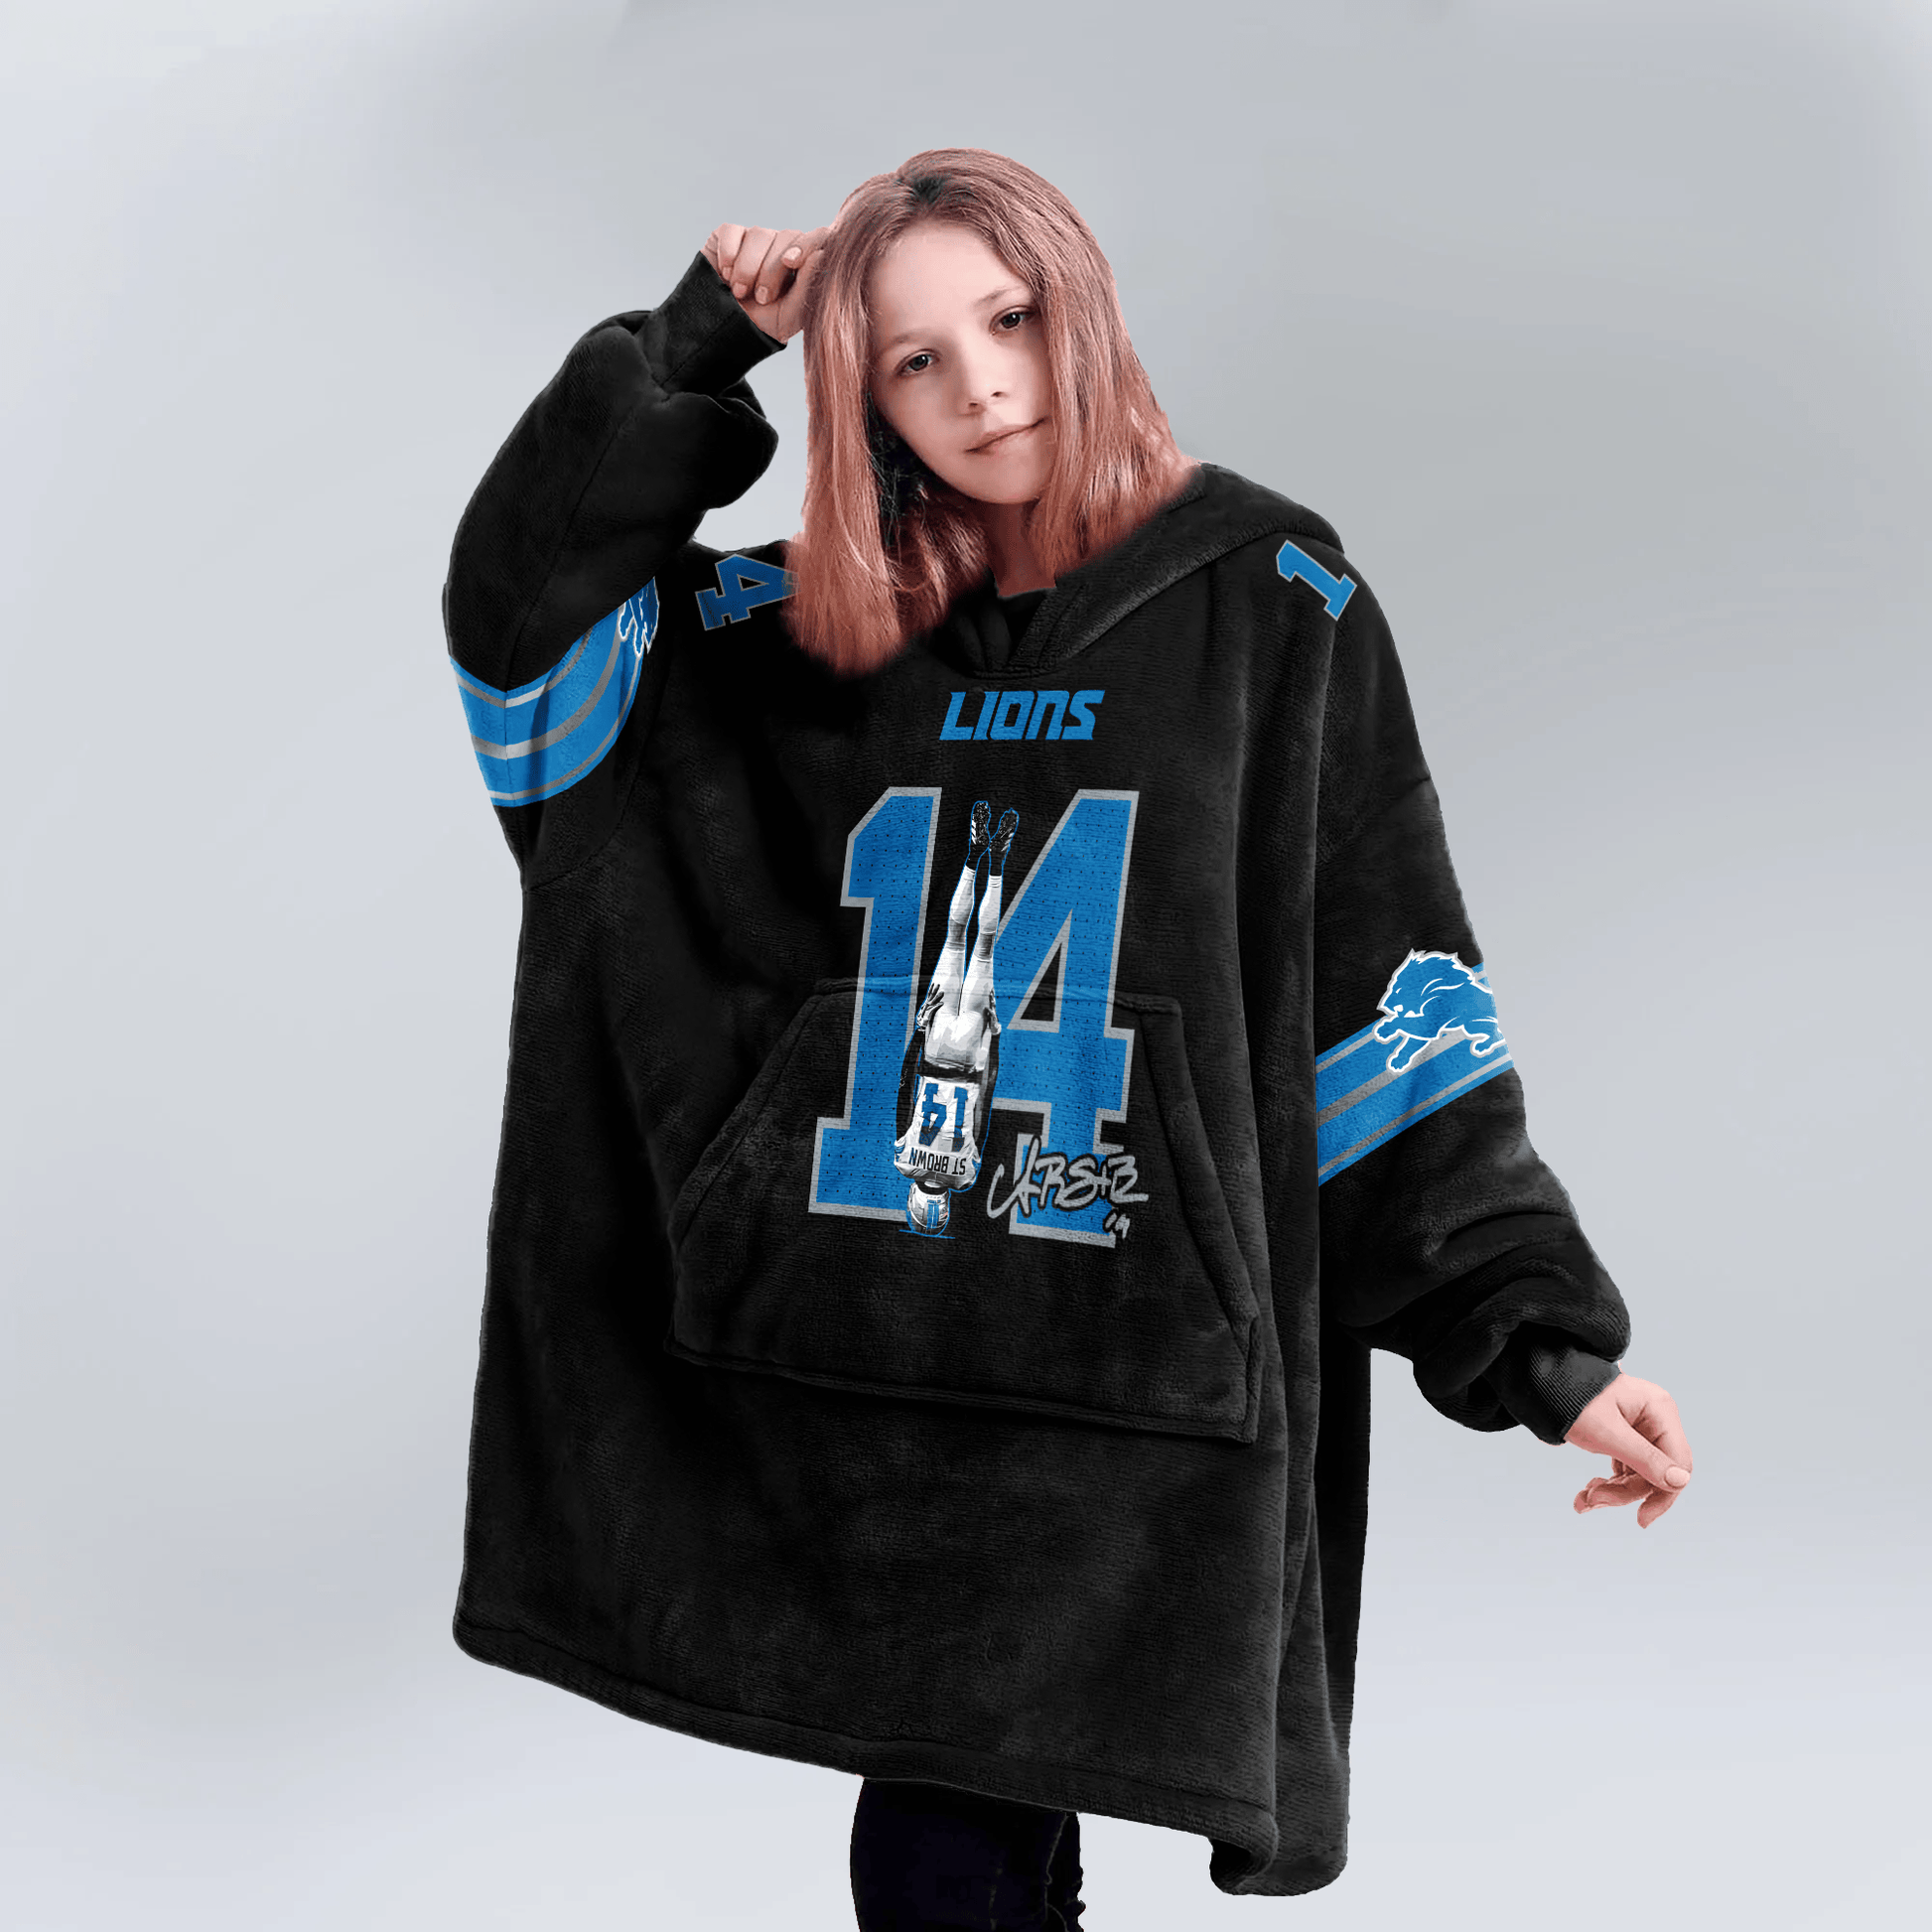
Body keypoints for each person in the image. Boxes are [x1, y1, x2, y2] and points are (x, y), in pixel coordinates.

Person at [441, 149, 1694, 1928]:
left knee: (965, 1851)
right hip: (878, 1378)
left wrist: (1545, 1348)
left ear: (1076, 303)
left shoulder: (1276, 603)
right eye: (913, 360)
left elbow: (1384, 1008)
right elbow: (524, 638)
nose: (980, 387)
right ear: (864, 400)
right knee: (957, 1849)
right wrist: (689, 350)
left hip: (1135, 1387)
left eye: (1007, 319)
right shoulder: (784, 630)